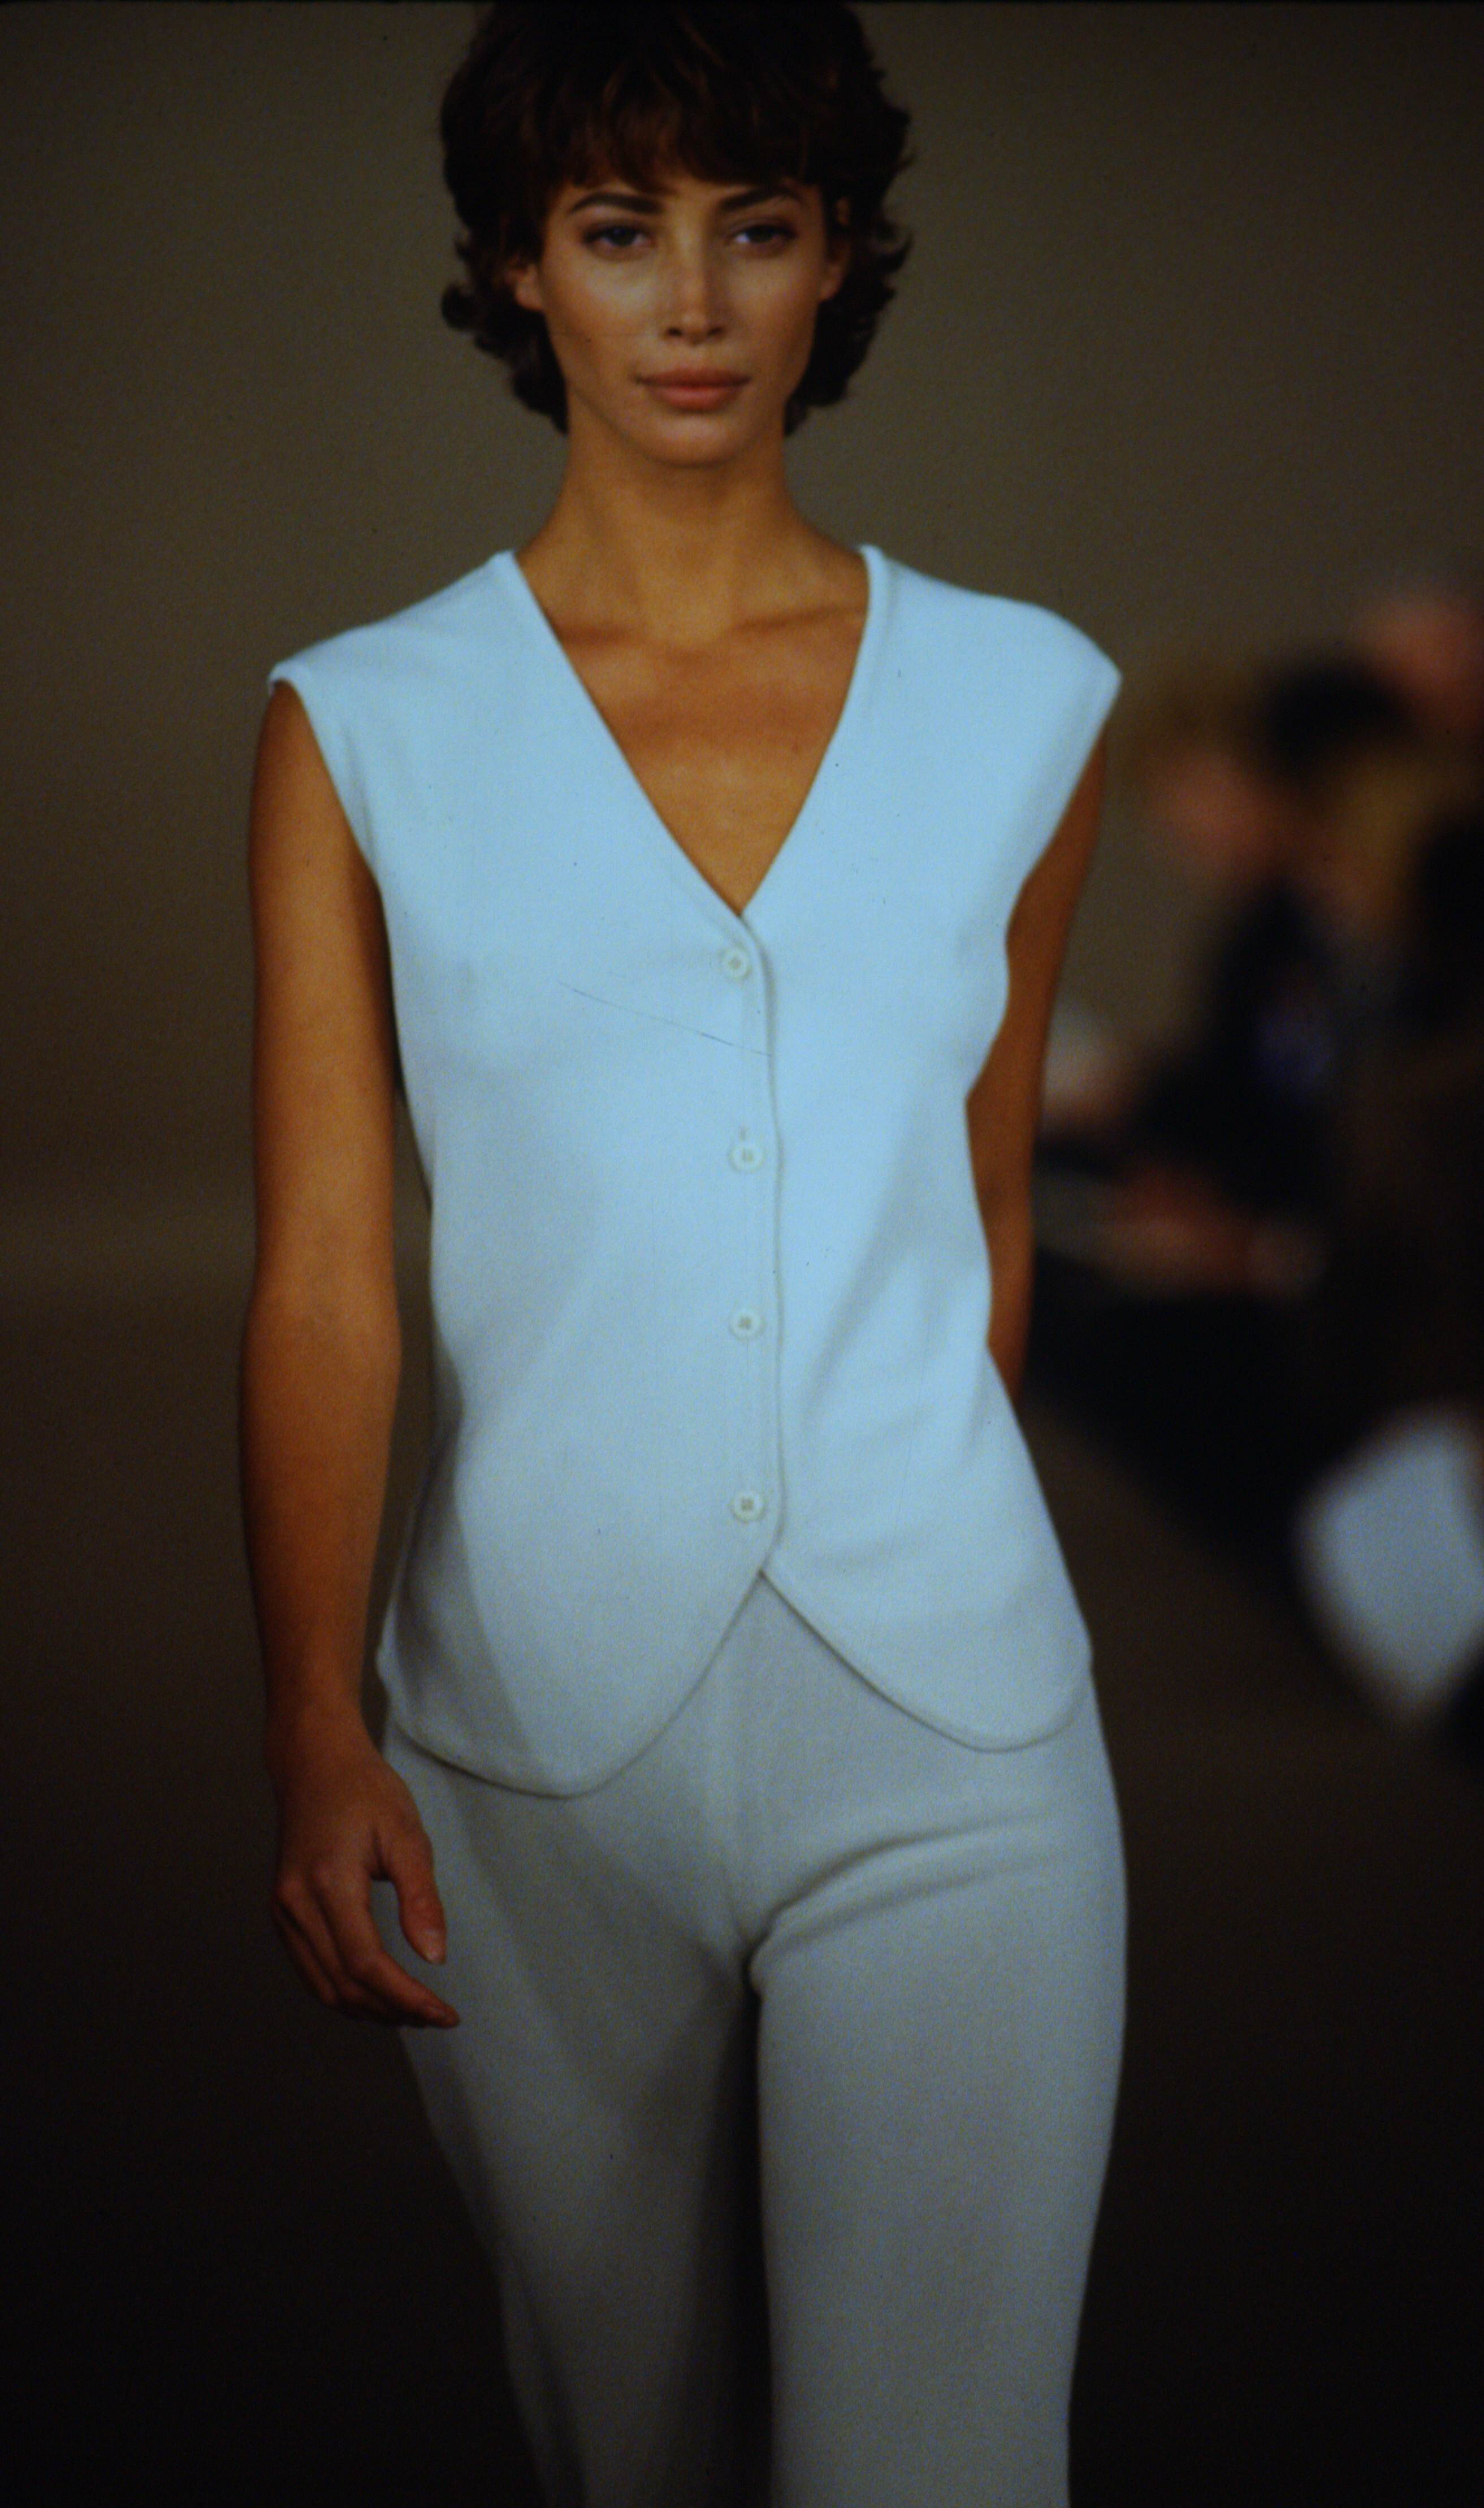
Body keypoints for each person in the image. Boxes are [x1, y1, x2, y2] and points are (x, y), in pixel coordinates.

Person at [239, 7, 1125, 2502]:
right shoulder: (360, 725)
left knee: (941, 2467)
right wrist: (316, 1724)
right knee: (620, 2456)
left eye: (757, 226)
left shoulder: (1025, 698)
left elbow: (979, 1212)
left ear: (838, 257)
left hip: (954, 1732)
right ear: (522, 271)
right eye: (621, 232)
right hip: (518, 1739)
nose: (697, 302)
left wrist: (909, 1526)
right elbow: (326, 1277)